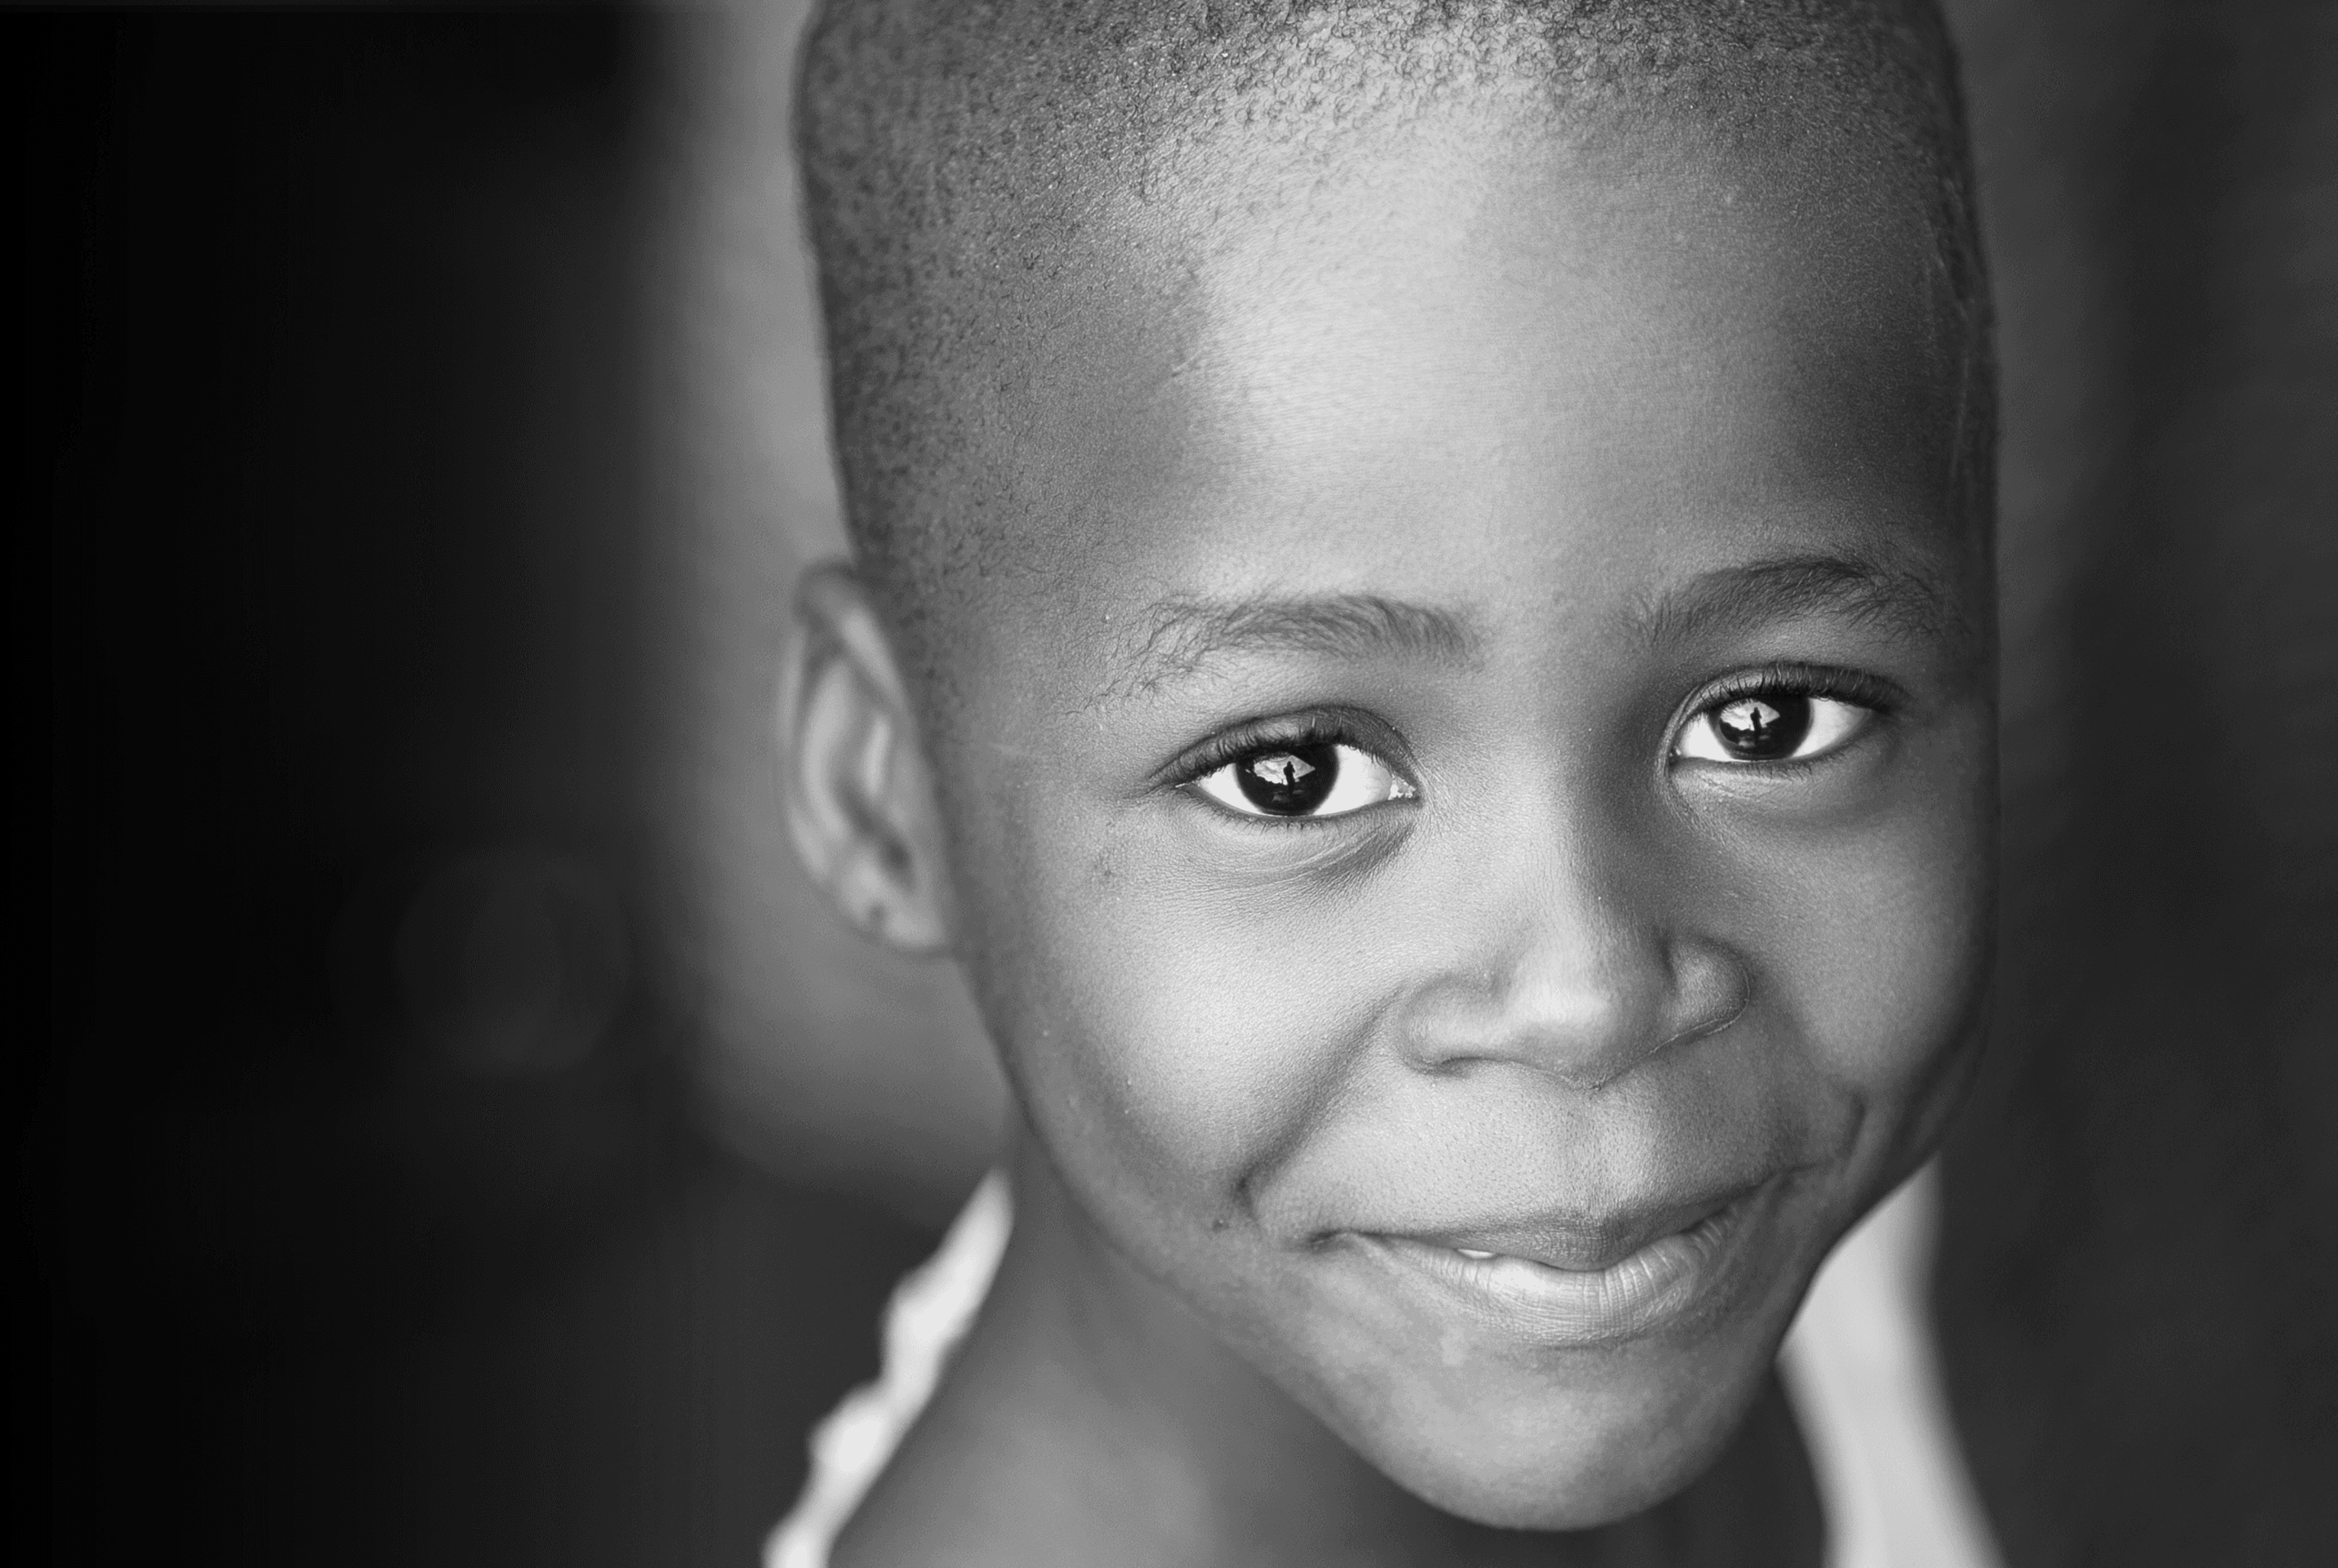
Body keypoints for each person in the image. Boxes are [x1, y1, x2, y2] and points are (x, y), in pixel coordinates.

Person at [763, 2, 2003, 1562]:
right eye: (1292, 777)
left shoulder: (1780, 1205)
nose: (1590, 997)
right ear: (884, 793)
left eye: (1768, 725)